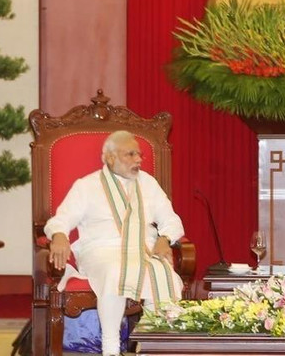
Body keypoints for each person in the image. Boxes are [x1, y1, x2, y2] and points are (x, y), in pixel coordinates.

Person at [45, 131, 185, 356]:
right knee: (115, 271)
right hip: (101, 251)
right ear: (110, 158)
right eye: (130, 154)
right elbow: (60, 220)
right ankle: (110, 348)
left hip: (144, 250)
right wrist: (59, 235)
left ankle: (149, 347)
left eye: (139, 154)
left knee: (163, 272)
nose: (138, 160)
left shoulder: (148, 183)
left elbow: (172, 220)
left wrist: (165, 238)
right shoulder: (87, 186)